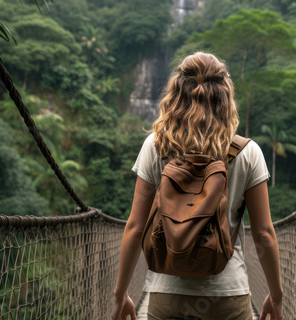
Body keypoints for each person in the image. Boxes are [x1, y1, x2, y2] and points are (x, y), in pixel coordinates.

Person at [111, 52, 283, 320]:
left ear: (176, 95)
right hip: (228, 296)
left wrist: (120, 296)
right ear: (225, 97)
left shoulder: (156, 147)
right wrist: (276, 297)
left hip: (167, 295)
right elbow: (264, 233)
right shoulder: (248, 152)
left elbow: (135, 227)